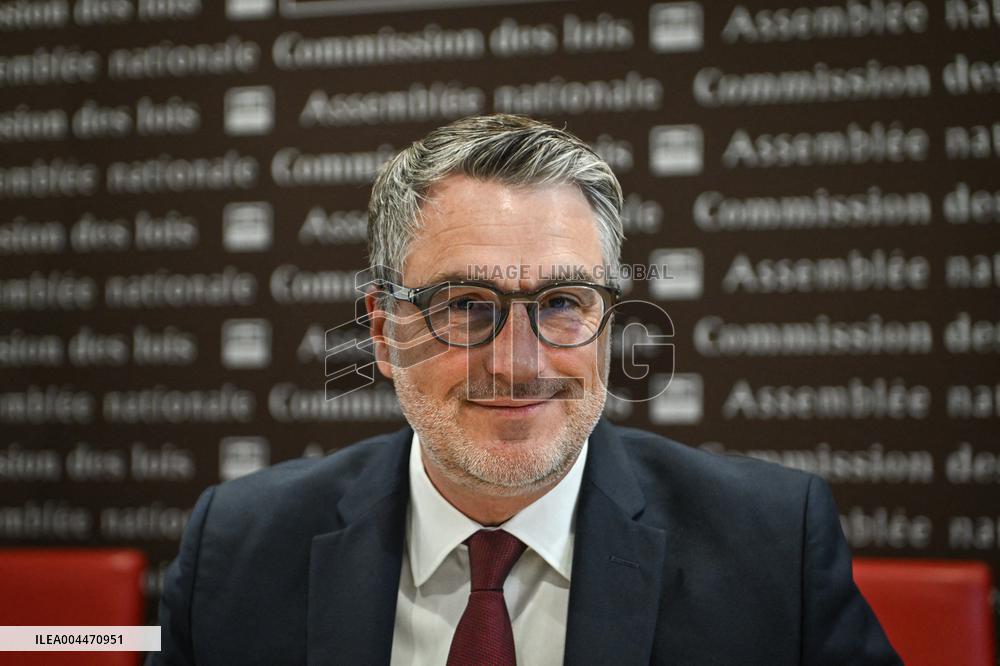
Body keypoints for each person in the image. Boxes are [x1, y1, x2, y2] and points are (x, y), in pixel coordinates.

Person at [150, 114, 901, 665]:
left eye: (564, 303)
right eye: (466, 306)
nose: (517, 362)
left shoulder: (773, 549)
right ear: (383, 332)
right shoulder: (239, 549)